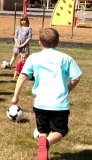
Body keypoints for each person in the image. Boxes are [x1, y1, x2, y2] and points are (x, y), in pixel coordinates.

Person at [11, 28, 82, 160]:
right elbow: (76, 78)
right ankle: (47, 143)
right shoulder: (65, 58)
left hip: (40, 103)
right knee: (60, 131)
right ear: (58, 42)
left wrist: (16, 95)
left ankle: (43, 149)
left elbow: (23, 76)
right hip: (59, 104)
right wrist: (67, 89)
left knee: (42, 131)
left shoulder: (34, 57)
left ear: (40, 43)